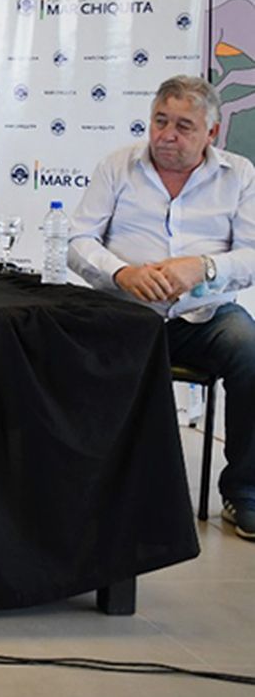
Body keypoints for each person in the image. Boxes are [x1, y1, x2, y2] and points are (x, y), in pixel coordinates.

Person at [69, 75, 255, 540]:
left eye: (183, 126)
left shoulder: (240, 175)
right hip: (123, 312)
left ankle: (246, 491)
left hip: (205, 316)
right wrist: (121, 273)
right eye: (160, 121)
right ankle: (84, 485)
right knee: (60, 347)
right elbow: (78, 241)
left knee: (251, 352)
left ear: (211, 133)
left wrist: (203, 268)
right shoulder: (118, 166)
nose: (167, 135)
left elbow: (252, 254)